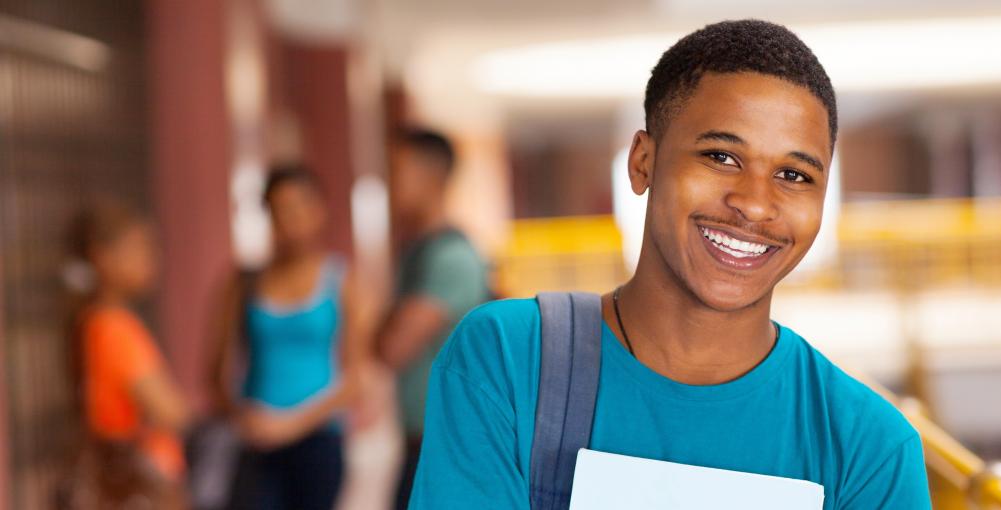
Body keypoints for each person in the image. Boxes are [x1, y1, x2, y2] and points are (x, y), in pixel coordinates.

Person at [409, 20, 931, 509]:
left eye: (794, 175)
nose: (754, 203)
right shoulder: (509, 359)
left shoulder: (869, 445)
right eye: (721, 157)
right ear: (643, 162)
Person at [207, 165, 371, 510]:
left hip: (319, 439)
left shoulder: (340, 281)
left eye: (299, 209)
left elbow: (356, 376)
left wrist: (291, 425)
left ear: (319, 211)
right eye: (280, 211)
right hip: (257, 441)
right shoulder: (243, 283)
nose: (290, 221)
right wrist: (244, 417)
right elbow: (216, 373)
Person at [375, 129, 490, 509]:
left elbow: (391, 348)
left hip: (444, 443)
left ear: (432, 176)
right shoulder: (418, 252)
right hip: (420, 439)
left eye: (397, 171)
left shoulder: (450, 258)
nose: (388, 183)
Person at [68, 200, 190, 508]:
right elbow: (169, 410)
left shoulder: (88, 321)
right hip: (140, 477)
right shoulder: (114, 327)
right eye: (137, 249)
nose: (150, 260)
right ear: (102, 257)